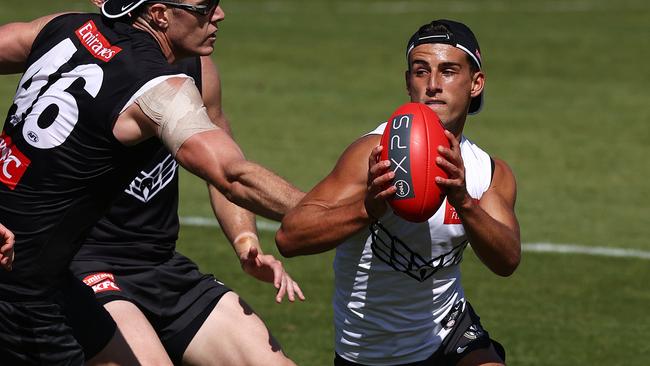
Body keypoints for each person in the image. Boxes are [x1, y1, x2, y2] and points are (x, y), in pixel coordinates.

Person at [0, 0, 303, 364]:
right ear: (159, 14)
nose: (219, 14)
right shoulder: (157, 87)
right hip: (53, 278)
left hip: (139, 267)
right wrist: (330, 209)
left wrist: (245, 240)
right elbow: (231, 175)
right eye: (205, 6)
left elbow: (226, 164)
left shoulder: (65, 28)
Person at [276, 19, 521, 366]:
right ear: (408, 82)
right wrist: (368, 209)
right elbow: (290, 237)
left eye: (448, 71)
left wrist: (465, 202)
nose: (433, 85)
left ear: (476, 83)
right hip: (371, 352)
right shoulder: (374, 154)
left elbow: (508, 260)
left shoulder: (489, 172)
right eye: (421, 72)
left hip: (450, 330)